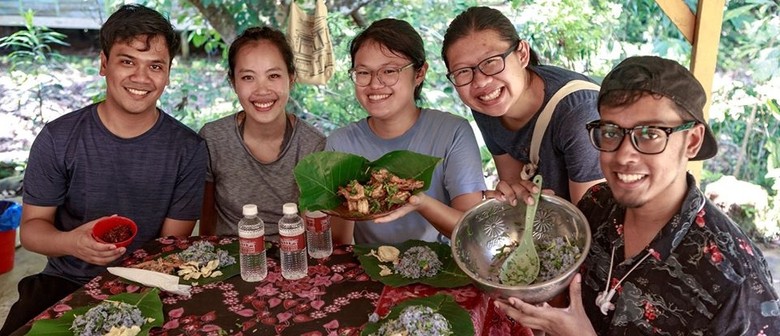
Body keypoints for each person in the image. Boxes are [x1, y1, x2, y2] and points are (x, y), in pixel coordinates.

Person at [495, 56, 780, 335]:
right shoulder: (597, 205)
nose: (624, 155)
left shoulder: (735, 282)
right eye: (610, 131)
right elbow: (567, 295)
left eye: (650, 134)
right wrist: (524, 219)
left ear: (691, 141)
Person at [0, 4, 207, 335]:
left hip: (148, 281)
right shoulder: (59, 138)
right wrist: (73, 242)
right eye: (127, 61)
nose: (141, 78)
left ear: (167, 74)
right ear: (103, 64)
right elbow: (33, 231)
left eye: (155, 66)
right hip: (65, 280)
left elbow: (170, 244)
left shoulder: (188, 149)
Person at [327, 18, 485, 245]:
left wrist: (419, 202)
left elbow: (470, 230)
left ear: (419, 73)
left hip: (442, 271)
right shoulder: (340, 144)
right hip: (371, 271)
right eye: (363, 73)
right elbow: (340, 242)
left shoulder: (452, 132)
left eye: (389, 71)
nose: (374, 84)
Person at [441, 6, 603, 206]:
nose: (480, 82)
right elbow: (515, 190)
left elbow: (591, 218)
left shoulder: (578, 113)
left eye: (491, 61)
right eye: (463, 71)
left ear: (522, 54)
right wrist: (514, 196)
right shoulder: (487, 104)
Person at [198, 27, 325, 238]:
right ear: (233, 83)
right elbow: (206, 225)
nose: (262, 90)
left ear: (291, 78)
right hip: (228, 260)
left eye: (273, 75)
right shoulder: (213, 138)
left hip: (291, 260)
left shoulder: (312, 145)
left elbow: (312, 231)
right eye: (248, 77)